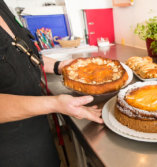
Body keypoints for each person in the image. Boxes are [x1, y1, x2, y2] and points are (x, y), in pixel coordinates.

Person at [0, 0, 103, 166]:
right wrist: (53, 103)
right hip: (9, 150)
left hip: (36, 130)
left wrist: (60, 66)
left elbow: (24, 54)